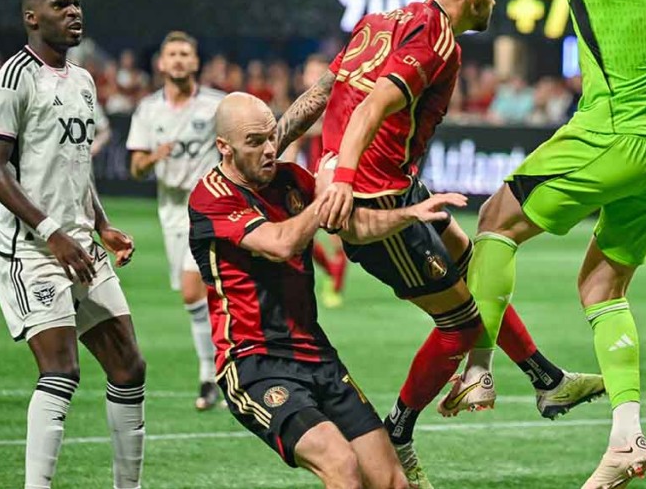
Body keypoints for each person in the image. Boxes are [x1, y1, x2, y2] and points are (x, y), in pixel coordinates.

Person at [279, 0, 604, 489]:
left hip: (395, 183)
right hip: (376, 202)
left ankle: (547, 379)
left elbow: (323, 91)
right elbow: (373, 104)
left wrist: (274, 141)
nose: (495, 2)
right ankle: (399, 433)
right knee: (462, 327)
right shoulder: (438, 39)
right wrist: (346, 179)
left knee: (475, 262)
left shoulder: (381, 21)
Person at [432, 0, 646, 487]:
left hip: (615, 133)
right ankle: (627, 437)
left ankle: (480, 368)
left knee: (496, 219)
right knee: (603, 287)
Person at [189, 92, 464, 489]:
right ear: (223, 148)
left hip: (318, 356)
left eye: (271, 137)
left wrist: (407, 216)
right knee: (341, 467)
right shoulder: (210, 197)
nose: (269, 149)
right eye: (255, 142)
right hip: (255, 363)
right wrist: (326, 196)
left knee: (392, 482)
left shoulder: (292, 182)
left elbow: (352, 225)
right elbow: (281, 243)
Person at [0, 0, 145, 489]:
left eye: (78, 3)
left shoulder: (83, 80)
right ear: (31, 18)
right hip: (31, 249)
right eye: (61, 4)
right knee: (61, 371)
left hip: (81, 244)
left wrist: (100, 224)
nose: (74, 11)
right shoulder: (15, 77)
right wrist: (51, 232)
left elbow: (76, 166)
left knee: (129, 367)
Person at [126, 31, 226, 409]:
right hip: (171, 213)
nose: (180, 59)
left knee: (192, 290)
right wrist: (153, 158)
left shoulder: (217, 106)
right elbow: (136, 167)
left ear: (196, 62)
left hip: (210, 209)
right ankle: (218, 371)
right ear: (162, 64)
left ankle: (209, 377)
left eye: (186, 53)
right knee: (198, 297)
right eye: (173, 54)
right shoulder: (149, 111)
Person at [283, 53, 348, 309]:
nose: (312, 78)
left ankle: (335, 284)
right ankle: (331, 271)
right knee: (302, 235)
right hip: (308, 175)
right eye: (310, 72)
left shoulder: (338, 102)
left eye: (317, 72)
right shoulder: (302, 103)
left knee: (336, 236)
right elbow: (294, 139)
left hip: (333, 173)